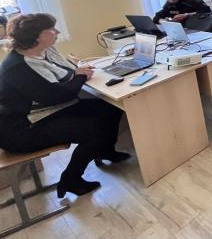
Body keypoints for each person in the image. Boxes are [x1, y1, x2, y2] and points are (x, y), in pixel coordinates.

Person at [0, 14, 128, 198]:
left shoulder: (43, 52)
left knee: (110, 107)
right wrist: (80, 76)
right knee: (94, 130)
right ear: (36, 36)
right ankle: (71, 180)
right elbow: (57, 95)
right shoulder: (17, 67)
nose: (57, 32)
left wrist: (78, 73)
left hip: (44, 112)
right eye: (51, 29)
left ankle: (105, 150)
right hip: (21, 130)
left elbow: (67, 73)